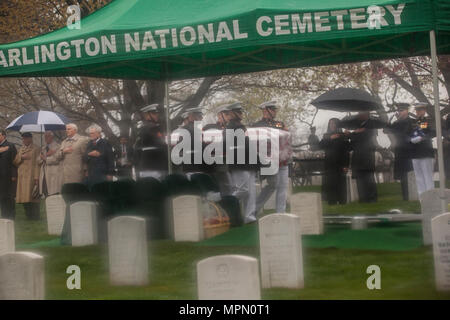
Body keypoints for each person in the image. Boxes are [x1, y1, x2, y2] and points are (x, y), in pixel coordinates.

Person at [252, 100, 292, 214]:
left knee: (283, 188)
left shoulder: (280, 124)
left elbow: (287, 138)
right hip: (269, 161)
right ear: (265, 110)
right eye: (272, 109)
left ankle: (281, 213)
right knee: (272, 185)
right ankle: (255, 209)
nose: (275, 112)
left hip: (282, 160)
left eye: (275, 109)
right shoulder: (257, 126)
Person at [223, 101, 257, 224]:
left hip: (248, 162)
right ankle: (226, 203)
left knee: (251, 192)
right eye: (238, 112)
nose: (241, 114)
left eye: (240, 111)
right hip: (239, 162)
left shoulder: (241, 126)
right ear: (231, 113)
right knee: (244, 190)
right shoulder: (230, 127)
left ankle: (250, 217)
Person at [345, 111, 385, 203]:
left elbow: (364, 136)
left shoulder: (371, 125)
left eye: (361, 113)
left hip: (367, 155)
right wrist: (349, 135)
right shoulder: (358, 126)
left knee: (368, 178)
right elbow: (354, 141)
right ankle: (363, 198)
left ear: (366, 114)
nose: (359, 115)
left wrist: (352, 134)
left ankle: (372, 198)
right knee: (360, 178)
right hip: (358, 155)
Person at [384, 103, 414, 200]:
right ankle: (406, 196)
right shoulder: (397, 123)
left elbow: (407, 133)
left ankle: (413, 195)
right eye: (399, 111)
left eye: (402, 110)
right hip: (400, 151)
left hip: (410, 151)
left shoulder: (411, 121)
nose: (400, 112)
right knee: (402, 175)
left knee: (410, 173)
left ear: (407, 111)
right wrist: (389, 121)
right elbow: (386, 130)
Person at [319, 118, 351, 205]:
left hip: (341, 163)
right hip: (329, 163)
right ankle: (331, 201)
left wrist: (346, 165)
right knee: (330, 183)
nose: (332, 125)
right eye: (331, 123)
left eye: (334, 123)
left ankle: (342, 201)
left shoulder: (343, 136)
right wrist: (330, 138)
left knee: (341, 183)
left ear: (338, 125)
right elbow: (320, 146)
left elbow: (347, 150)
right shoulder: (326, 136)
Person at [133, 104, 168, 181]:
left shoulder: (151, 127)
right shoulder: (150, 128)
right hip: (152, 166)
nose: (157, 115)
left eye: (156, 113)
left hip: (152, 166)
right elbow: (162, 144)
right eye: (154, 113)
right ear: (147, 115)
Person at [409, 102, 436, 197]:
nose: (418, 112)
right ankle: (422, 199)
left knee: (428, 177)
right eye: (417, 110)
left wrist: (421, 138)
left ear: (424, 110)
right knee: (419, 178)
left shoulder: (429, 120)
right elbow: (408, 134)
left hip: (425, 152)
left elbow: (433, 133)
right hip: (415, 153)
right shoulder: (412, 122)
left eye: (420, 110)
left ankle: (430, 198)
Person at [13, 132, 40, 220]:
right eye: (23, 138)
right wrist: (22, 157)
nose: (24, 140)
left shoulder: (36, 149)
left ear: (30, 138)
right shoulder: (21, 149)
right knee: (24, 198)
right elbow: (15, 162)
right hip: (22, 177)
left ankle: (35, 216)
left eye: (25, 138)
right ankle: (28, 216)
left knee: (33, 197)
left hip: (31, 176)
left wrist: (36, 177)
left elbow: (37, 164)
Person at [179, 106, 206, 178]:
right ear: (192, 117)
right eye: (199, 116)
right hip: (195, 165)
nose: (202, 118)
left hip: (190, 165)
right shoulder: (194, 130)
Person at [38, 131, 63, 197]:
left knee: (53, 194)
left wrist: (45, 158)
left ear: (52, 137)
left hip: (53, 173)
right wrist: (46, 155)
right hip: (44, 174)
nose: (45, 138)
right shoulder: (43, 148)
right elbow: (38, 160)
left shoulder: (58, 146)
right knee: (46, 192)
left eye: (47, 136)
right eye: (45, 136)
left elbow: (57, 159)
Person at [0, 129, 17, 219]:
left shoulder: (10, 146)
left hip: (8, 176)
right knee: (2, 197)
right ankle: (4, 215)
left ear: (3, 136)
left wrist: (14, 175)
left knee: (9, 196)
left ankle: (11, 216)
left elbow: (14, 162)